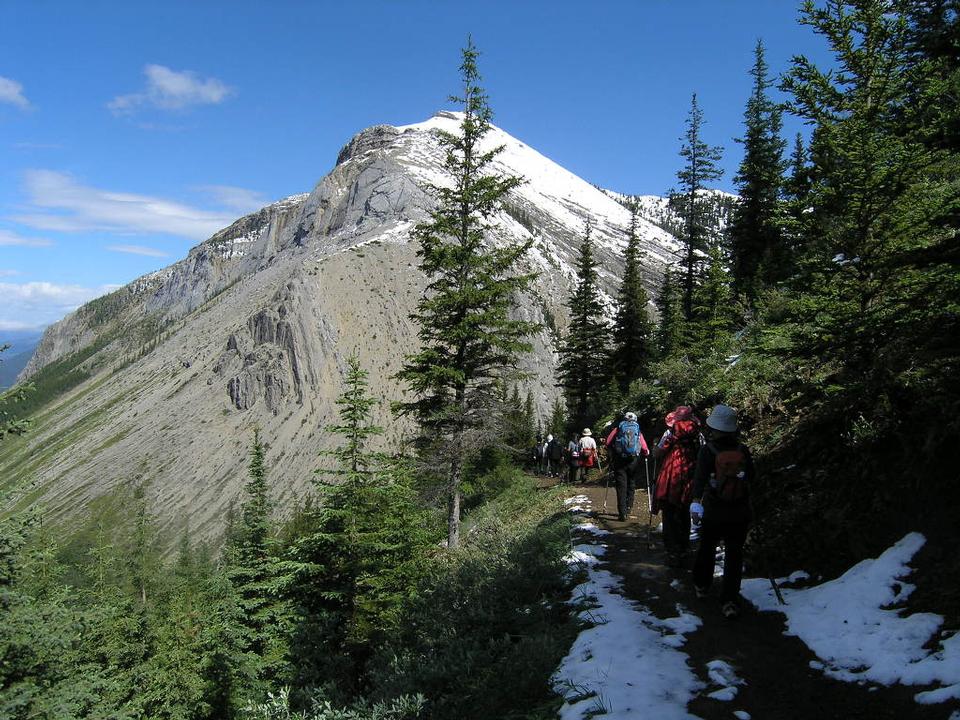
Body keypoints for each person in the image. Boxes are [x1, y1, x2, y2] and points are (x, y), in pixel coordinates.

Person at [690, 404, 754, 619]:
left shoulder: (708, 451)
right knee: (734, 554)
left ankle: (702, 585)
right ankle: (730, 600)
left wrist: (696, 503)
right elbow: (751, 478)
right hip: (740, 510)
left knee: (707, 547)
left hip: (715, 509)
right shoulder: (742, 450)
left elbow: (699, 480)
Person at [652, 406, 701, 567]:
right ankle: (683, 546)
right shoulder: (697, 433)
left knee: (669, 511)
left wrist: (655, 450)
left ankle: (671, 549)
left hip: (670, 474)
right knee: (684, 510)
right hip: (690, 473)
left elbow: (658, 453)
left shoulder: (670, 433)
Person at [604, 411, 649, 521]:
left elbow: (608, 442)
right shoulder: (637, 429)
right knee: (631, 483)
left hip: (619, 460)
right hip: (633, 460)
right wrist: (646, 452)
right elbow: (644, 447)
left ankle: (622, 512)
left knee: (621, 485)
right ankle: (629, 507)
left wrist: (612, 453)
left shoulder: (618, 428)